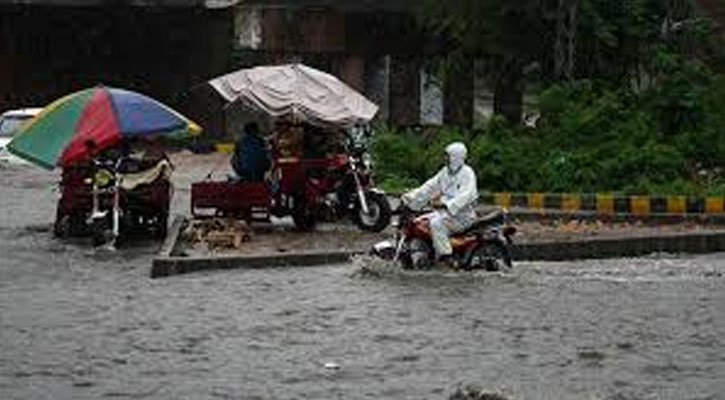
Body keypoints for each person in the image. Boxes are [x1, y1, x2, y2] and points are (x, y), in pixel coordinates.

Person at [401, 142, 478, 268]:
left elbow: (466, 195)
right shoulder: (445, 172)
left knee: (436, 224)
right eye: (445, 155)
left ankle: (447, 256)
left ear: (456, 156)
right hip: (446, 214)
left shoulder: (467, 173)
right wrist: (411, 197)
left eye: (448, 155)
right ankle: (428, 253)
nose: (445, 158)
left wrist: (446, 204)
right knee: (419, 221)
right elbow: (429, 187)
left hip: (463, 217)